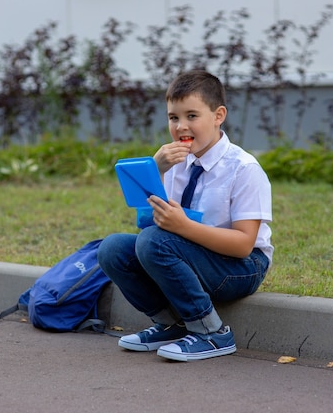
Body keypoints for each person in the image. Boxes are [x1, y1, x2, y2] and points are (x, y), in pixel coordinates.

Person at [97, 70, 273, 361]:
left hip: (242, 266)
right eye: (173, 117)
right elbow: (148, 223)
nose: (181, 126)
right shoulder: (174, 162)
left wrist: (183, 226)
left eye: (192, 116)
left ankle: (212, 333)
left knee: (154, 242)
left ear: (218, 116)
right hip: (193, 255)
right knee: (113, 248)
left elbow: (244, 244)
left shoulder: (244, 168)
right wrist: (155, 169)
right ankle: (173, 324)